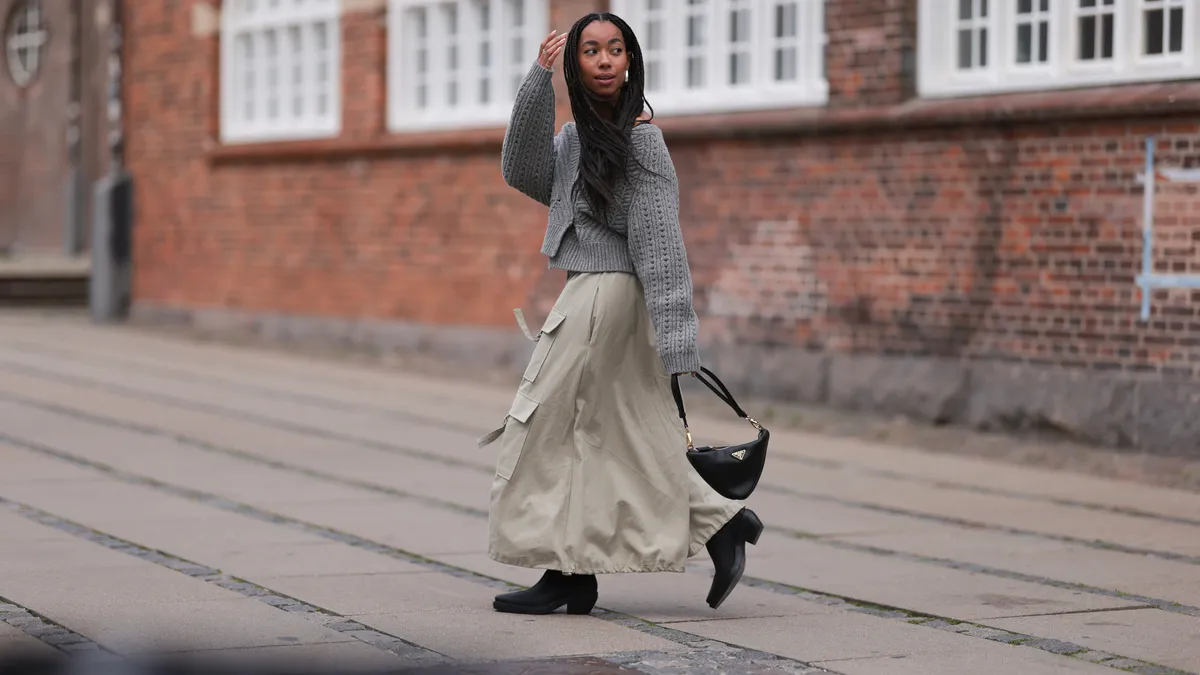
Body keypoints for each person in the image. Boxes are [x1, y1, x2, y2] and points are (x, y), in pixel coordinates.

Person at [478, 12, 763, 616]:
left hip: (610, 303)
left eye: (615, 50)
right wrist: (537, 81)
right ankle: (596, 566)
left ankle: (574, 572)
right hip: (584, 296)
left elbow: (661, 246)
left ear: (629, 61)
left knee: (552, 429)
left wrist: (678, 340)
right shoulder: (575, 140)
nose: (604, 60)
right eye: (590, 51)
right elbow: (521, 170)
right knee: (601, 435)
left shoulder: (641, 141)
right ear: (576, 65)